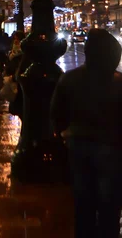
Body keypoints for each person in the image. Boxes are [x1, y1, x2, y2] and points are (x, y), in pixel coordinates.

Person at [51, 29, 122, 238]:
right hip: (112, 146)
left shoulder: (70, 79)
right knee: (110, 201)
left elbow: (56, 112)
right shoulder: (119, 82)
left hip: (78, 143)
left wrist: (63, 133)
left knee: (84, 200)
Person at [4, 31, 24, 120]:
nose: (15, 41)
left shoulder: (23, 50)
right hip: (13, 74)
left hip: (18, 76)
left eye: (17, 39)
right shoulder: (14, 48)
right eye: (14, 38)